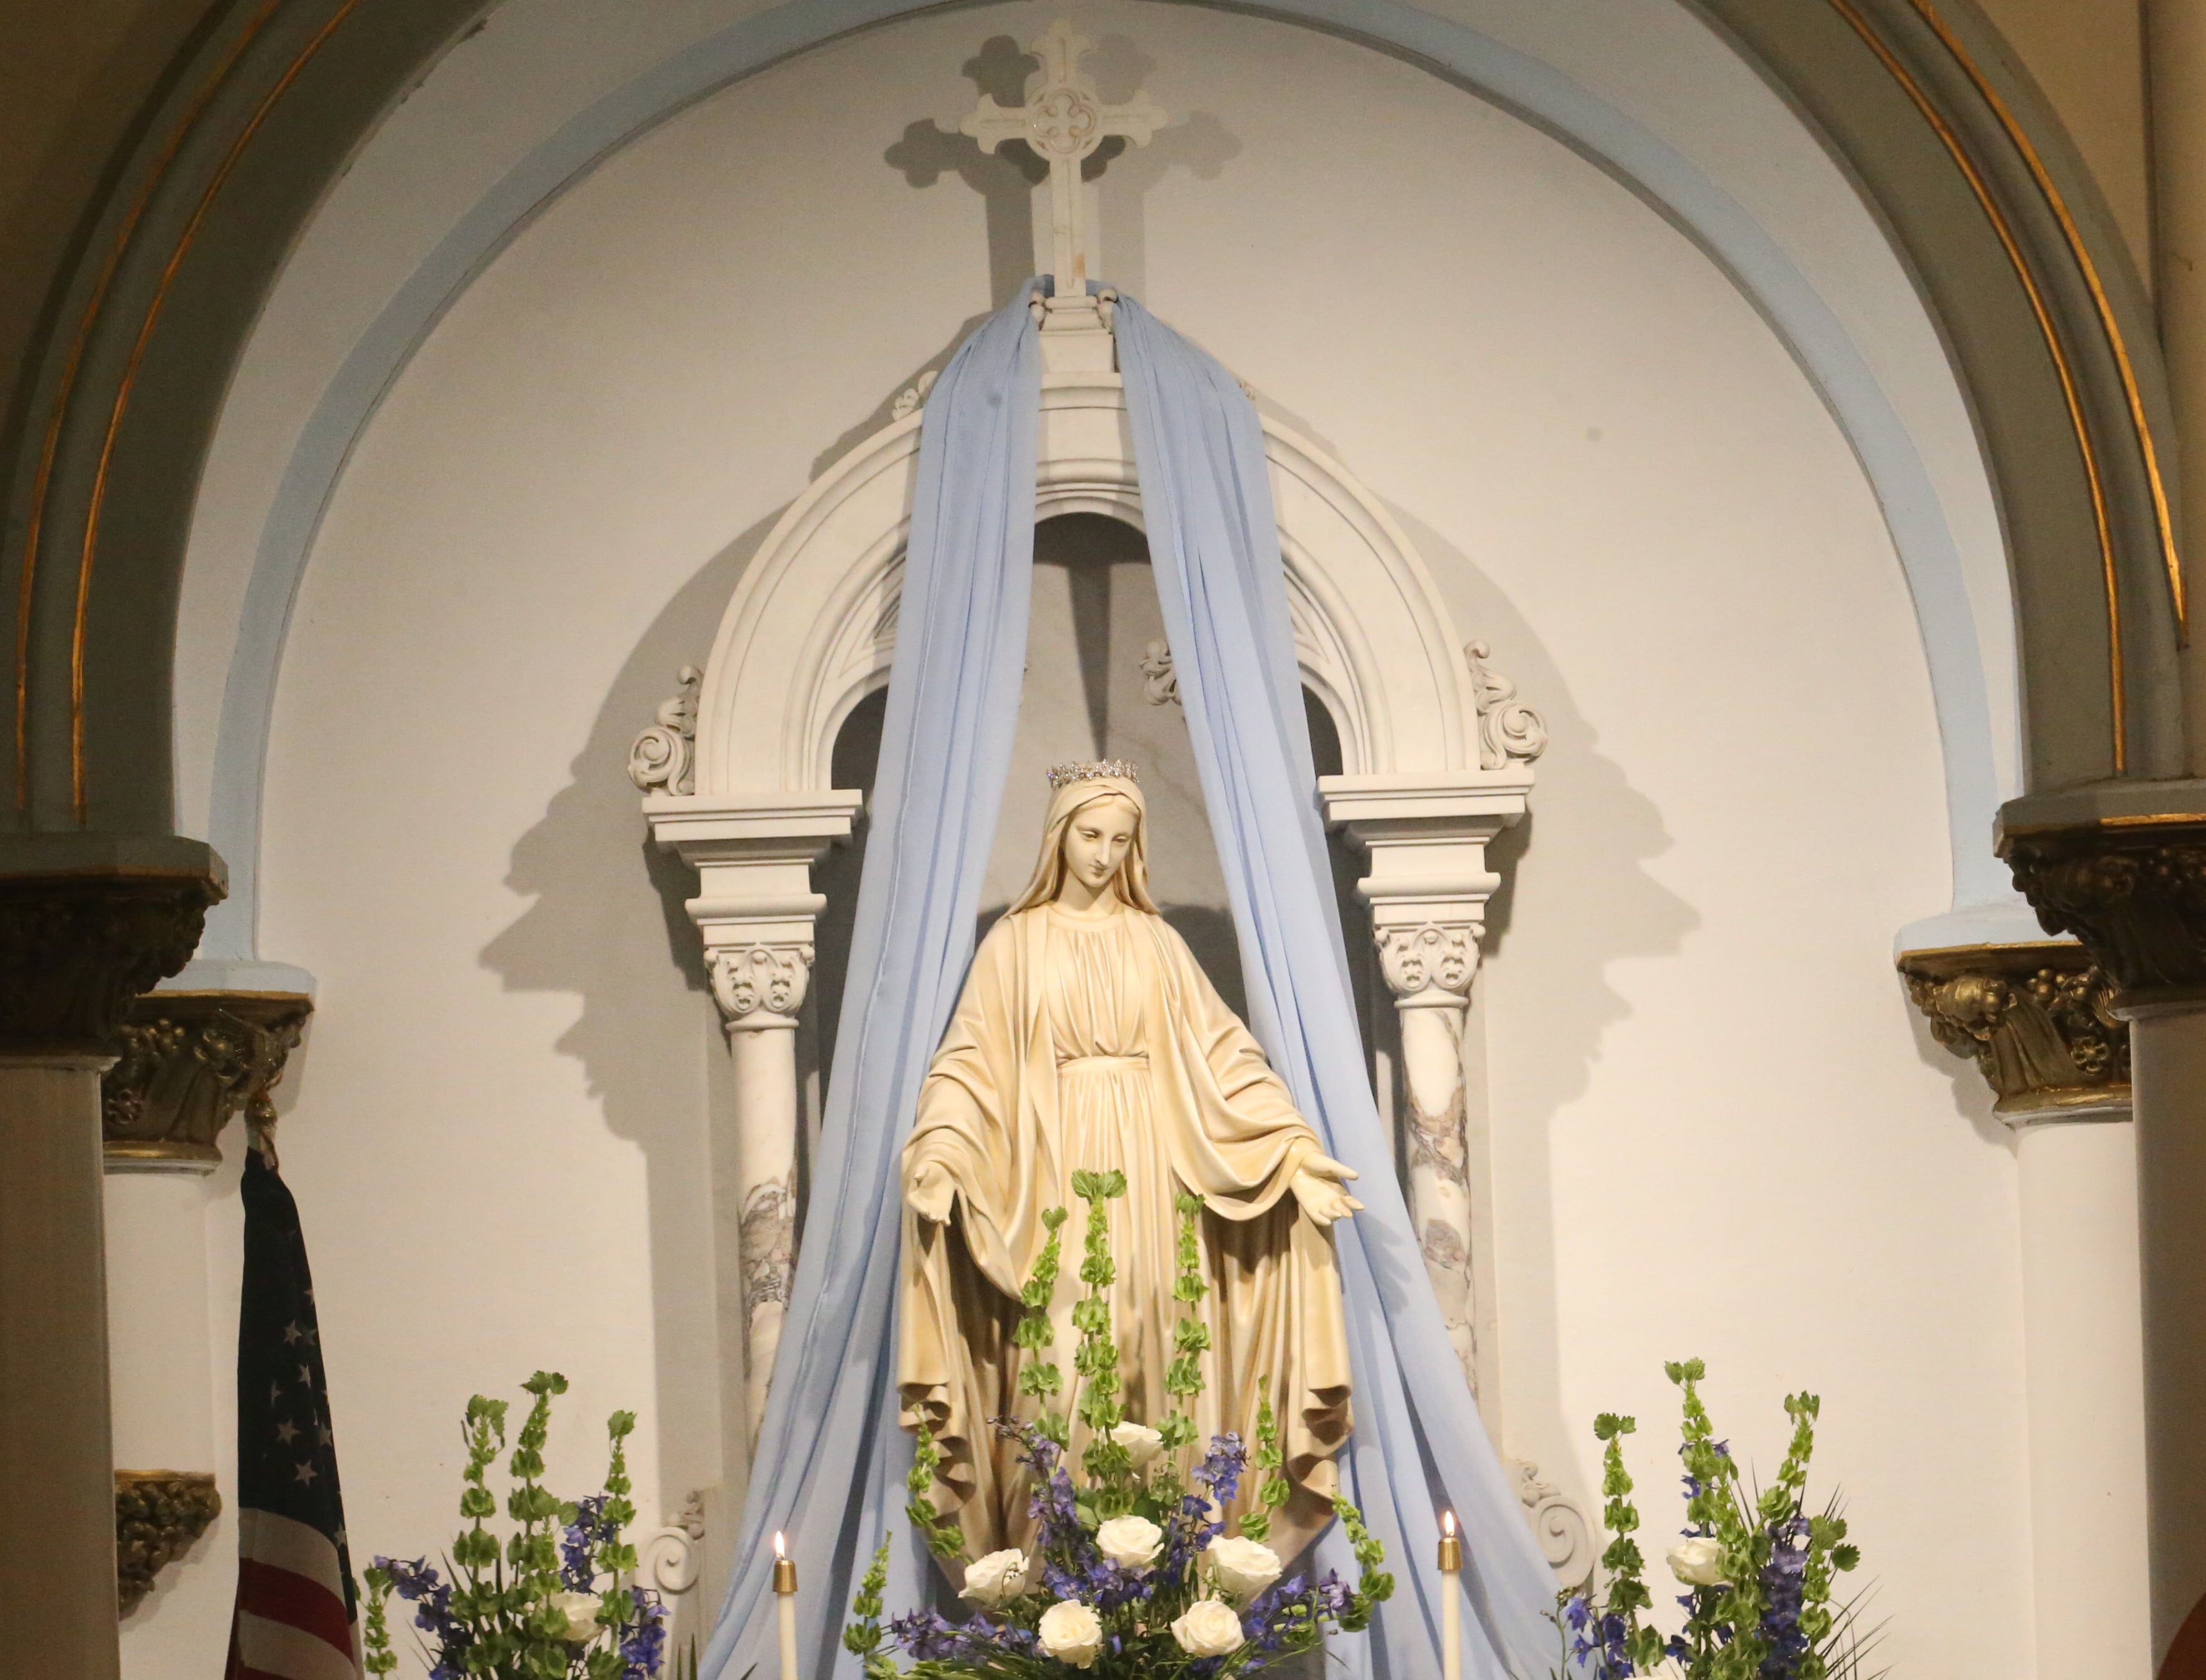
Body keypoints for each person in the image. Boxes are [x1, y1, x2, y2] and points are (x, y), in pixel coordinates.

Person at [898, 760, 1361, 1562]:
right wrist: (941, 1152)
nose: (1105, 855)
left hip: (1155, 1168)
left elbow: (1226, 1057)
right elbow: (969, 1064)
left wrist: (1292, 1151)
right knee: (1067, 1361)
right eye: (1089, 835)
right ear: (1058, 836)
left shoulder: (1156, 943)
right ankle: (1059, 1579)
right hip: (1054, 1170)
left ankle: (1165, 1582)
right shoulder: (1016, 944)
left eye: (1121, 838)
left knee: (1161, 1353)